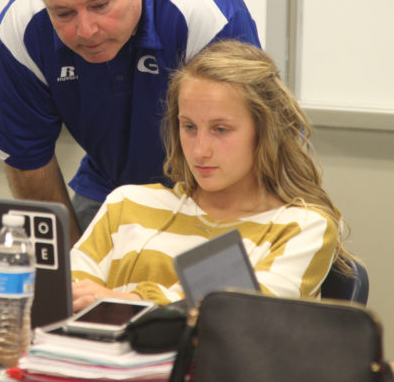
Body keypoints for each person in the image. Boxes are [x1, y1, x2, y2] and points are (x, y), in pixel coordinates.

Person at [0, 0, 260, 244]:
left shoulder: (202, 12)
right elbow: (27, 159)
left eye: (100, 5)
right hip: (113, 186)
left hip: (219, 186)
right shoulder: (21, 30)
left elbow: (248, 145)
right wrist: (72, 275)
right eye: (63, 14)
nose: (86, 30)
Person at [71, 40, 350, 312]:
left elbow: (231, 315)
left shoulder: (301, 226)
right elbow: (69, 294)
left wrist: (121, 301)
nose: (199, 151)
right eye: (189, 127)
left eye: (220, 129)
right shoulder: (127, 204)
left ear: (265, 133)